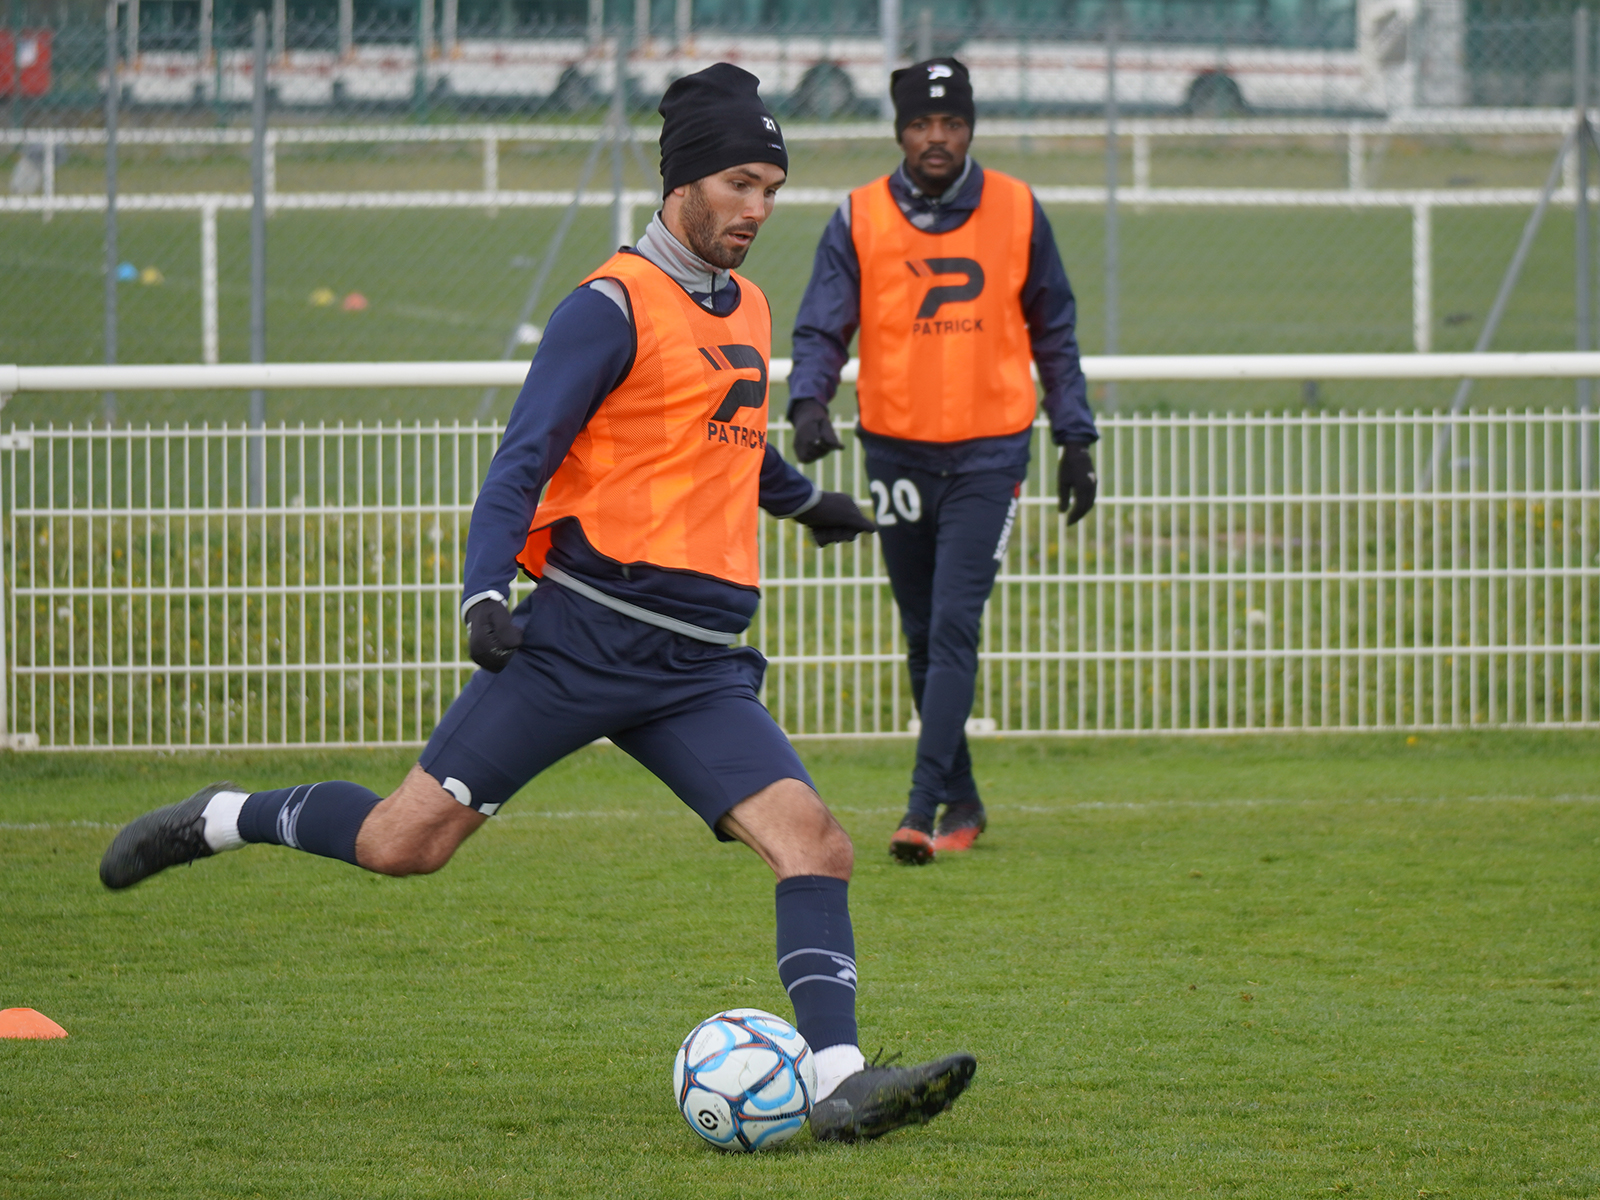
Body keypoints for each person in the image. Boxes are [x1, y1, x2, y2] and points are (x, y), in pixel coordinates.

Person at [98, 63, 975, 1144]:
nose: (758, 210)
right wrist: (483, 592)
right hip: (577, 643)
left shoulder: (743, 302)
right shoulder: (605, 309)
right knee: (400, 845)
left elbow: (720, 439)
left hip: (697, 665)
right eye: (742, 184)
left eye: (771, 190)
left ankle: (841, 1080)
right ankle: (226, 816)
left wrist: (804, 504)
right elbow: (520, 464)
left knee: (817, 845)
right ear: (687, 180)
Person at [786, 57, 1098, 866]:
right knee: (922, 630)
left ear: (970, 129)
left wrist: (1076, 439)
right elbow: (823, 326)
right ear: (900, 131)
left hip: (990, 455)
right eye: (922, 124)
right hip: (896, 449)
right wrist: (809, 403)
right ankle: (963, 797)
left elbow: (1055, 332)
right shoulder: (857, 216)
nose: (937, 138)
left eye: (951, 124)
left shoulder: (1019, 209)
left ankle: (921, 808)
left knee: (955, 623)